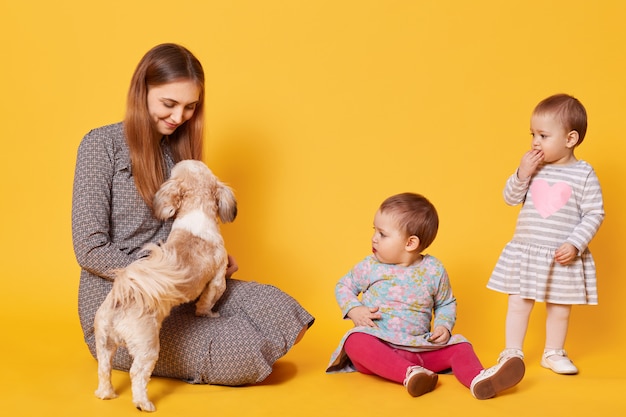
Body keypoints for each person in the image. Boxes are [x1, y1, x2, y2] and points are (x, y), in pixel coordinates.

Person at [72, 43, 314, 386]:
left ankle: (205, 337)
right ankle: (202, 345)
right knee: (245, 350)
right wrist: (164, 273)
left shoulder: (178, 153)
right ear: (142, 91)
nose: (178, 117)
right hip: (125, 303)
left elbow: (185, 234)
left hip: (182, 289)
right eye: (169, 104)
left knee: (288, 313)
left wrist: (208, 261)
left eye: (190, 107)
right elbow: (89, 248)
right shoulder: (100, 146)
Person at [326, 193, 524, 399]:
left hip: (421, 347)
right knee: (355, 340)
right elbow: (344, 286)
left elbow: (446, 302)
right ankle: (410, 374)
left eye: (382, 234)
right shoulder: (369, 266)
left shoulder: (433, 269)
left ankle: (479, 380)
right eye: (374, 230)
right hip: (380, 346)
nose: (374, 238)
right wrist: (354, 309)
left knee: (461, 346)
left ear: (410, 243)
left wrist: (443, 326)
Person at [487, 94, 604, 375]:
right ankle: (511, 352)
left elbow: (595, 213)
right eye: (532, 134)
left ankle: (552, 352)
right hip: (527, 251)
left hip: (560, 254)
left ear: (570, 139)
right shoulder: (534, 169)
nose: (535, 142)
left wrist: (575, 244)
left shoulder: (584, 173)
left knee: (560, 307)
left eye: (543, 135)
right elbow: (510, 198)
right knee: (518, 302)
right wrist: (521, 174)